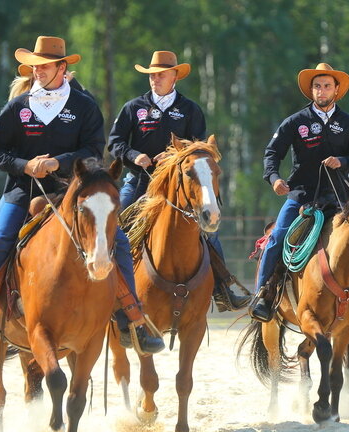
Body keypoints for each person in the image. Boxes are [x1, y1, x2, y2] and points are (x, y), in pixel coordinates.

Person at [0, 36, 164, 354]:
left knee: (117, 241)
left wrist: (58, 162)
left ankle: (133, 319)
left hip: (72, 192)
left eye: (45, 66)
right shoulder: (18, 107)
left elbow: (94, 150)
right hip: (22, 191)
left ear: (62, 67)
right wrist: (24, 165)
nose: (38, 71)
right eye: (35, 66)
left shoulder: (84, 106)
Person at [107, 50, 250, 312]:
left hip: (180, 188)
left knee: (209, 230)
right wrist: (134, 155)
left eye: (161, 74)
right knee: (114, 225)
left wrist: (175, 155)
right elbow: (114, 142)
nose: (155, 79)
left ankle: (222, 288)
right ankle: (104, 289)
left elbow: (200, 149)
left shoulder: (190, 110)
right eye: (152, 75)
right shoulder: (133, 108)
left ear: (175, 76)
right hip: (139, 181)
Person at [248, 63, 349, 322]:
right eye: (317, 86)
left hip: (339, 199)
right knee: (277, 239)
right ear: (311, 91)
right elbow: (272, 153)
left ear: (336, 90)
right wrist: (274, 179)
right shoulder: (295, 122)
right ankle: (262, 296)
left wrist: (343, 161)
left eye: (326, 86)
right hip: (301, 196)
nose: (321, 90)